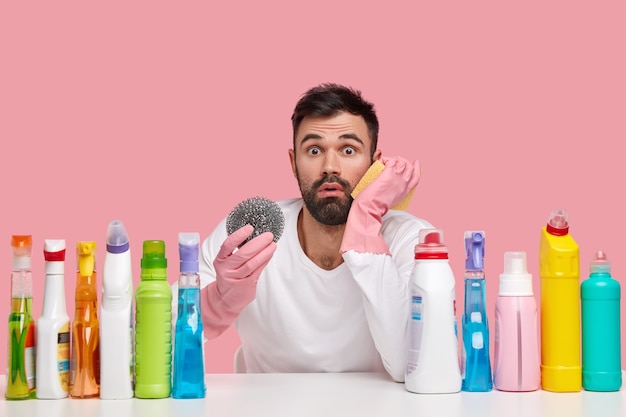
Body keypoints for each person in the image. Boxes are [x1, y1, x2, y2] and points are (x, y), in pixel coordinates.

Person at [175, 83, 433, 382]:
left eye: (348, 150)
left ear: (374, 165)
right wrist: (217, 301)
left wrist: (365, 221)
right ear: (293, 163)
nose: (330, 166)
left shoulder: (411, 240)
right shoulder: (250, 234)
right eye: (314, 150)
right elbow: (160, 337)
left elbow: (409, 365)